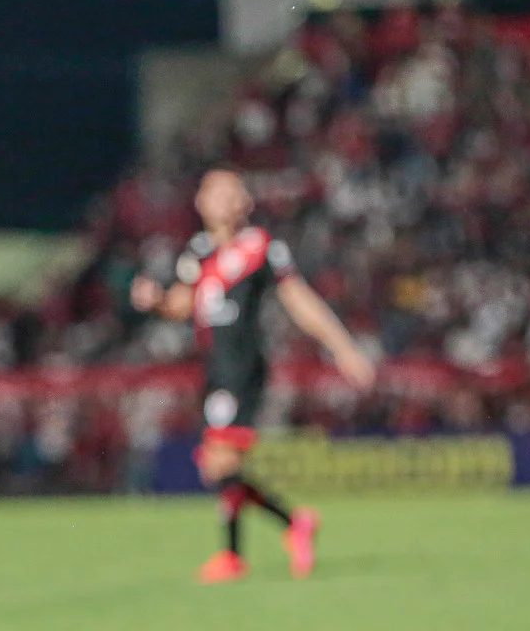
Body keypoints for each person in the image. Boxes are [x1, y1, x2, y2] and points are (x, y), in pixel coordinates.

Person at [131, 167, 375, 583]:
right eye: (211, 191)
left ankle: (243, 550)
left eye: (229, 191)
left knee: (219, 463)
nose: (220, 198)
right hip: (214, 367)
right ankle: (286, 527)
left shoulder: (261, 247)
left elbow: (300, 300)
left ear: (245, 201)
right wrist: (156, 301)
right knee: (219, 465)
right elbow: (182, 306)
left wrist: (343, 348)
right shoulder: (199, 250)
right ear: (200, 203)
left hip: (242, 368)